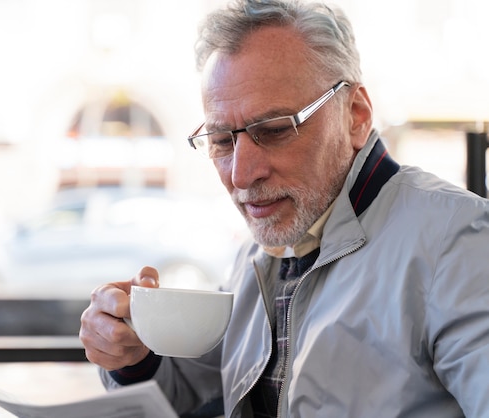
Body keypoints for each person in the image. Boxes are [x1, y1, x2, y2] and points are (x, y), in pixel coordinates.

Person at [79, 0, 489, 416]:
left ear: (356, 116)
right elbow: (191, 391)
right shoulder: (257, 256)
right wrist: (133, 357)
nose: (240, 174)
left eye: (274, 131)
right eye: (222, 141)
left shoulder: (458, 241)